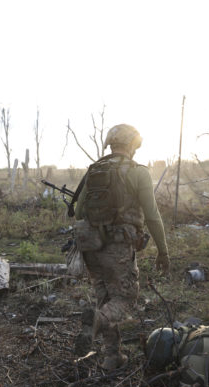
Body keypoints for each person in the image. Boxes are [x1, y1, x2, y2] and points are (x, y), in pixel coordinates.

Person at [72, 124, 169, 370]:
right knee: (125, 298)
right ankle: (96, 322)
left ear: (110, 144)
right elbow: (152, 216)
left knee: (105, 297)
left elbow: (79, 212)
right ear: (133, 144)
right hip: (118, 247)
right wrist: (163, 251)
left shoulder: (94, 170)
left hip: (91, 247)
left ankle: (112, 356)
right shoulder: (138, 172)